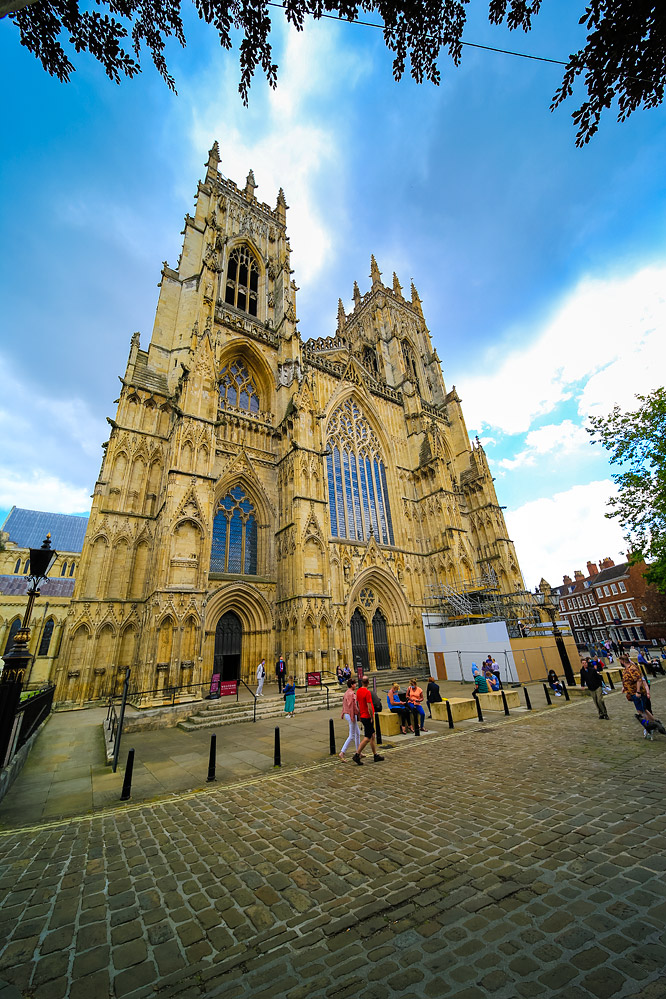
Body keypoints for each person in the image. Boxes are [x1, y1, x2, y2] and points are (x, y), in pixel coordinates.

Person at [353, 677, 384, 765]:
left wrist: (359, 715)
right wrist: (372, 717)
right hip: (367, 717)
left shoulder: (358, 691)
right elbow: (369, 706)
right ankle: (357, 754)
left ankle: (375, 755)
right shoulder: (367, 692)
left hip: (362, 716)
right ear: (368, 683)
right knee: (367, 738)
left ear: (362, 682)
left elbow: (358, 704)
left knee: (372, 735)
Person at [339, 678, 361, 761]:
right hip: (351, 714)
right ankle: (342, 752)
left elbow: (344, 705)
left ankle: (358, 751)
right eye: (354, 684)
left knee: (357, 733)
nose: (355, 685)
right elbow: (352, 706)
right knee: (351, 735)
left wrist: (343, 713)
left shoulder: (346, 693)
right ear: (352, 685)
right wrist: (357, 714)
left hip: (348, 714)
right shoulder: (351, 694)